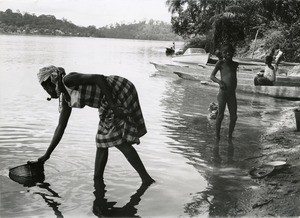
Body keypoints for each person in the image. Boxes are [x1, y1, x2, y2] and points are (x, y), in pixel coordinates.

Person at [34, 66, 155, 186]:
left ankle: (146, 179)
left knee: (119, 141)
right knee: (101, 141)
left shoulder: (68, 80)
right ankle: (98, 181)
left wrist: (114, 107)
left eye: (47, 86)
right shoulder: (66, 99)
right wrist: (46, 155)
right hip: (107, 102)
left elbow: (99, 79)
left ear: (53, 79)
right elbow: (61, 127)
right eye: (45, 89)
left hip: (118, 90)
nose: (48, 91)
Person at [210, 44, 239, 144]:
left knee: (234, 117)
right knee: (220, 115)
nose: (228, 53)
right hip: (223, 93)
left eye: (230, 52)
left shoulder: (235, 65)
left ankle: (230, 137)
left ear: (233, 53)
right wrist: (219, 82)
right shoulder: (220, 63)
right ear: (223, 54)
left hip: (232, 94)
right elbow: (212, 76)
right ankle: (217, 137)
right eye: (226, 52)